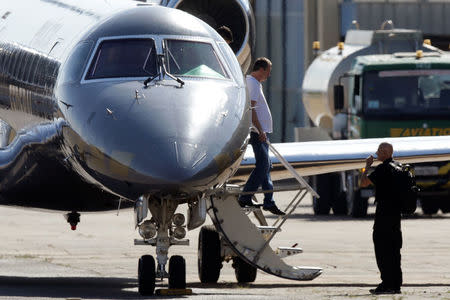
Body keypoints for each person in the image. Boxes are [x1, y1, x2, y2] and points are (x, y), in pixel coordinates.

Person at [238, 57, 285, 216]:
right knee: (264, 165)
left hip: (260, 131)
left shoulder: (255, 83)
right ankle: (245, 197)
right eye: (269, 71)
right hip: (257, 131)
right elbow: (251, 109)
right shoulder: (252, 82)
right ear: (262, 69)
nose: (269, 74)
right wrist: (260, 130)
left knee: (266, 165)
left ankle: (269, 201)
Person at [360, 142, 402, 295]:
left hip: (384, 214)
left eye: (379, 150)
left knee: (383, 250)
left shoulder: (382, 168)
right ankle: (396, 284)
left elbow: (363, 183)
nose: (377, 152)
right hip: (396, 215)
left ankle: (386, 283)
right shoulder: (399, 168)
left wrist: (367, 165)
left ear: (385, 153)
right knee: (395, 251)